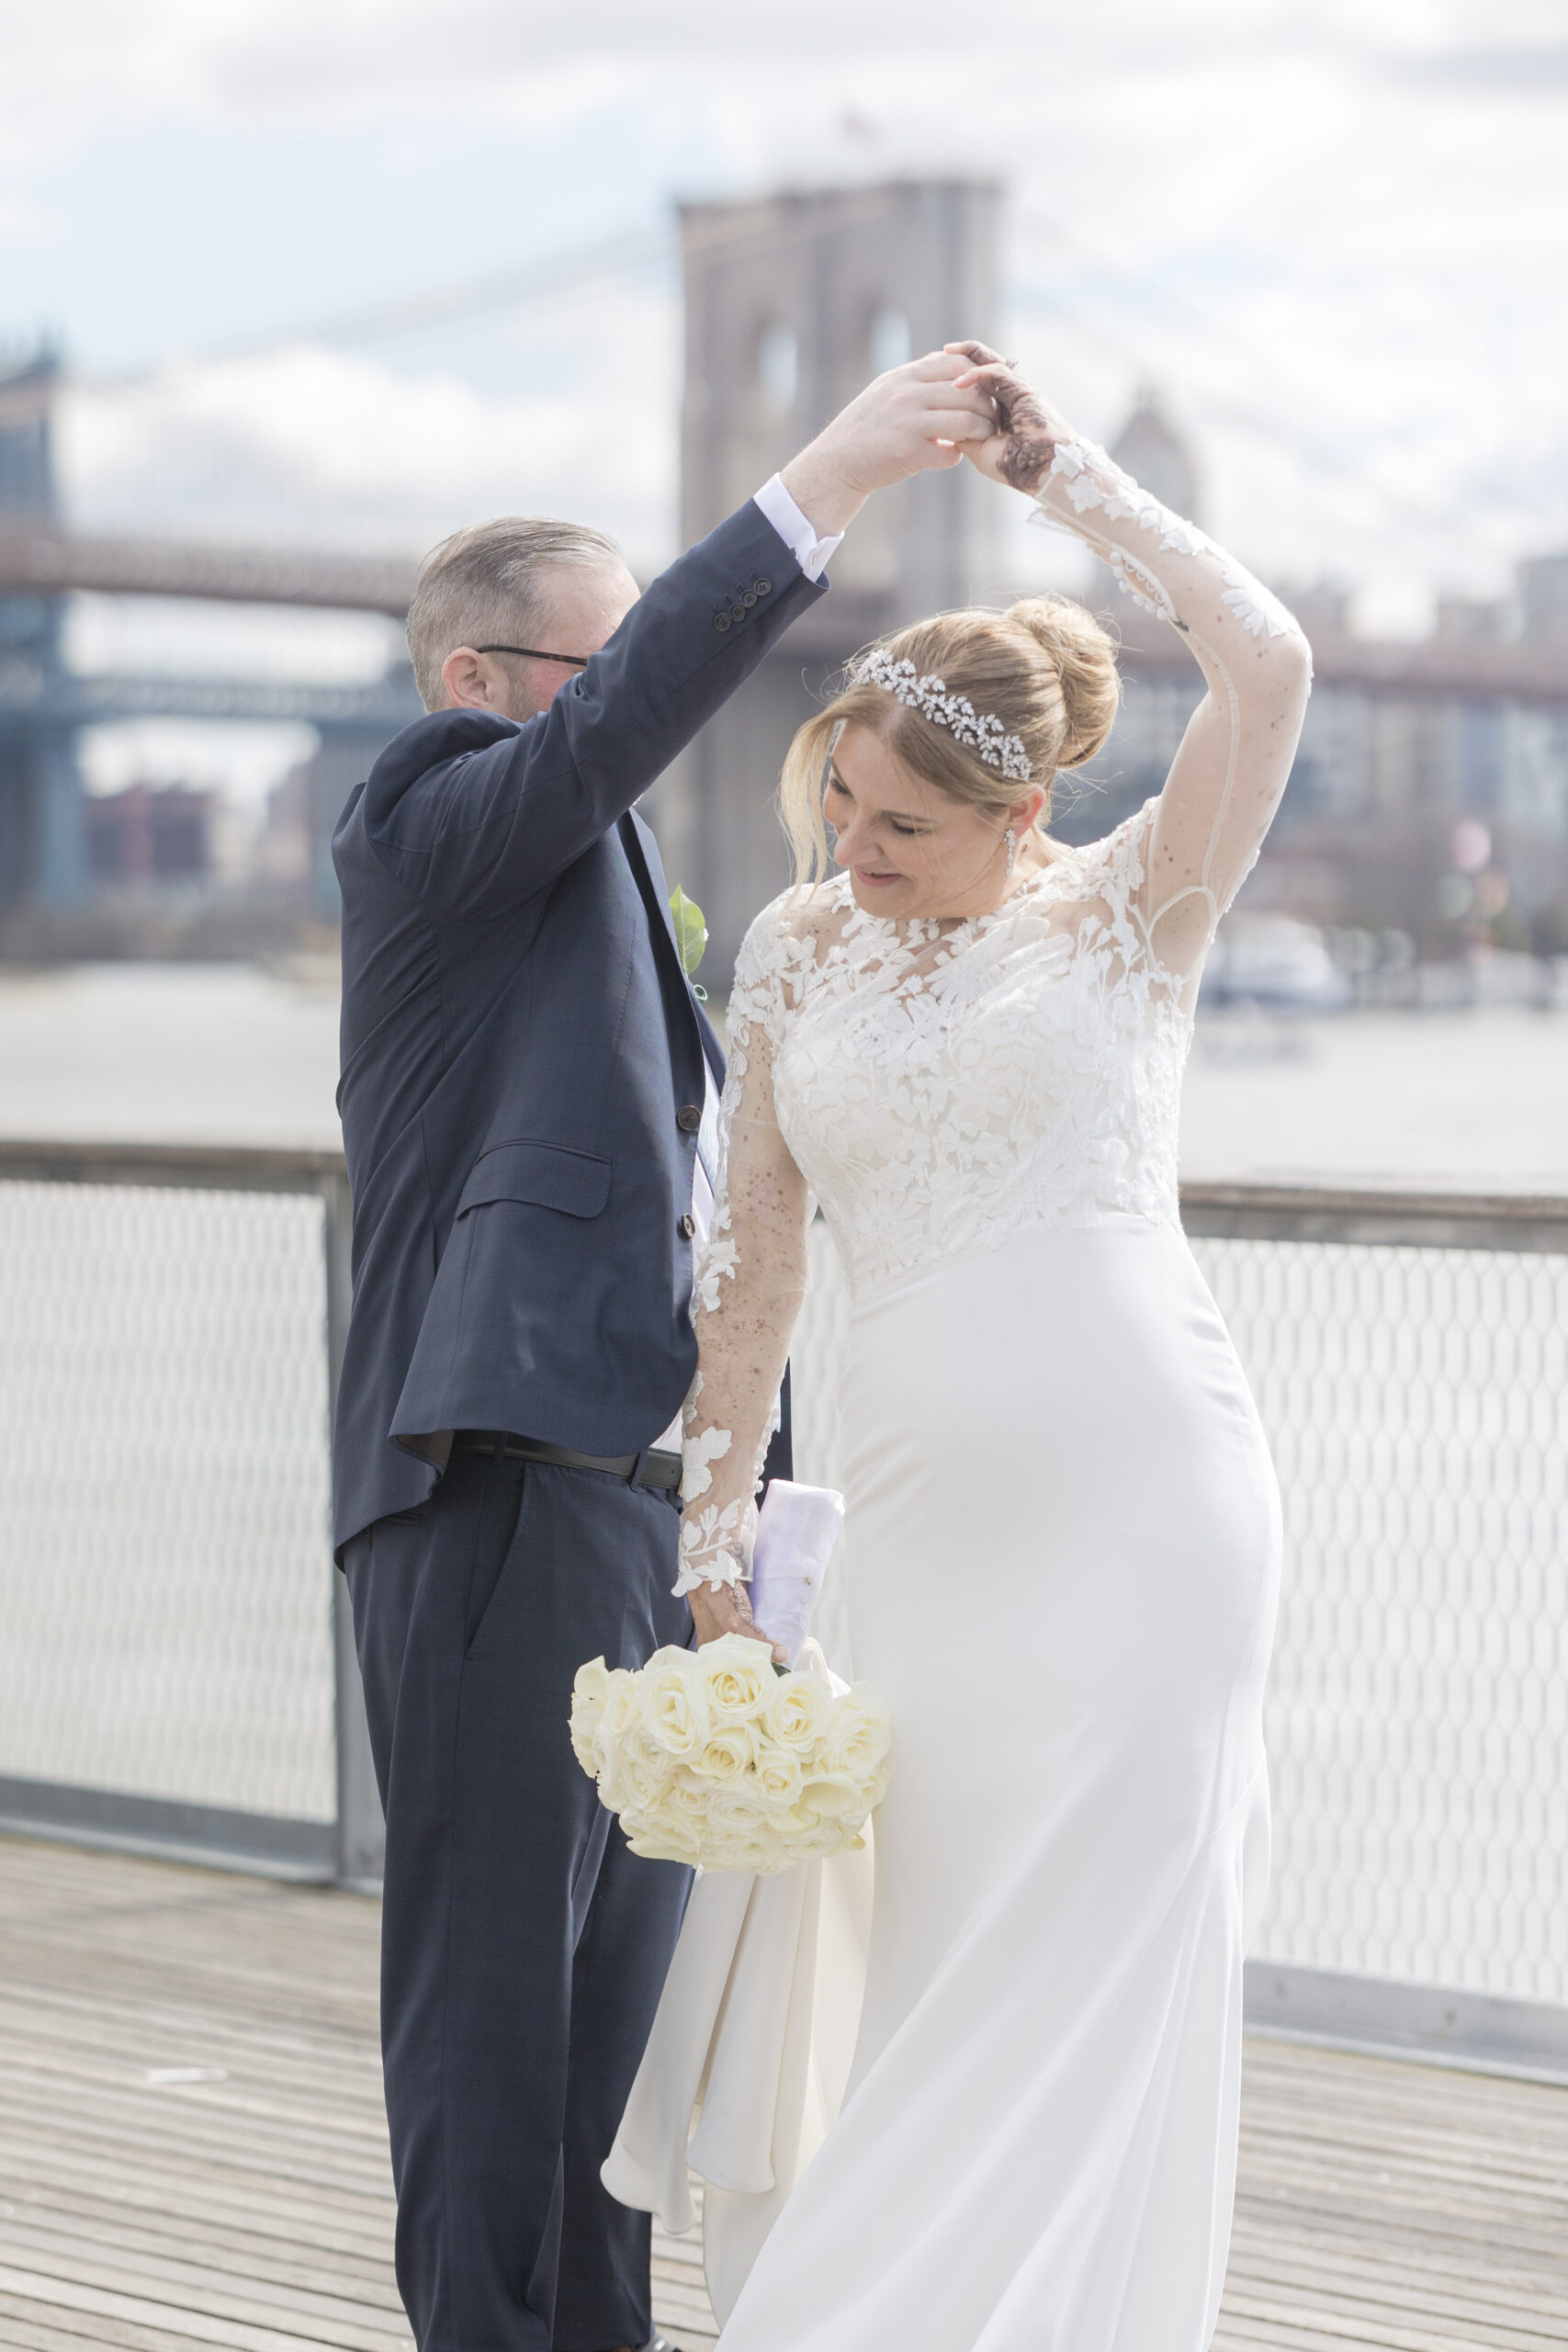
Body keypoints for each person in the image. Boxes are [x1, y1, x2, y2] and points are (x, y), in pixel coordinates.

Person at [330, 350, 999, 2352]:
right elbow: (619, 722)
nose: (640, 700)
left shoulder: (587, 880)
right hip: (495, 1488)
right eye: (598, 667)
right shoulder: (431, 809)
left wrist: (738, 1542)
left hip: (633, 1514)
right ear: (483, 682)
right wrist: (835, 474)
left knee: (608, 2065)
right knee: (490, 2024)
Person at [671, 345, 1313, 2348]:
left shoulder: (1136, 907)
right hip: (926, 1536)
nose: (853, 848)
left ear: (1025, 807)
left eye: (904, 827)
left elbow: (1266, 660)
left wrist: (1079, 484)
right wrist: (711, 1560)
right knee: (943, 1972)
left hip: (1152, 1513)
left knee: (1096, 1976)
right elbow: (754, 1281)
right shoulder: (791, 952)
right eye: (840, 801)